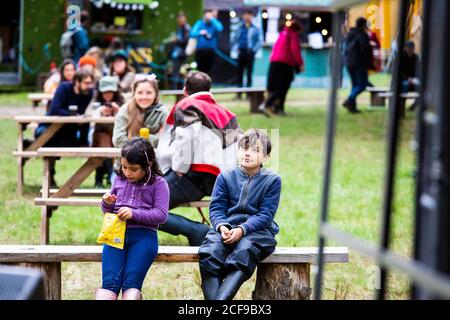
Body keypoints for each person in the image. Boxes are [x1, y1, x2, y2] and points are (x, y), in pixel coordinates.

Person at [157, 71, 241, 246]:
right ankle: (197, 230)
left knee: (140, 206)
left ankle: (196, 230)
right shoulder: (227, 114)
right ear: (209, 90)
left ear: (185, 89)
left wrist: (179, 168)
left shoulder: (188, 104)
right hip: (217, 181)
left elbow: (186, 138)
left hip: (190, 175)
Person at [198, 128, 281, 300]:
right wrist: (221, 226)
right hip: (226, 229)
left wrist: (242, 230)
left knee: (244, 252)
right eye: (244, 148)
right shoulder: (225, 176)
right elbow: (216, 208)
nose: (248, 153)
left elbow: (266, 215)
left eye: (256, 150)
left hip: (257, 232)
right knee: (210, 253)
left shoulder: (272, 180)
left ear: (266, 157)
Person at [96, 137, 169, 300]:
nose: (127, 172)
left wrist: (134, 213)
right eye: (124, 167)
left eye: (133, 169)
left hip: (143, 238)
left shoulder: (159, 183)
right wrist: (107, 203)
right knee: (109, 285)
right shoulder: (119, 179)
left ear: (148, 164)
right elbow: (108, 210)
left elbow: (162, 215)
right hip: (115, 235)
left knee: (131, 285)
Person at [35, 68, 95, 187]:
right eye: (86, 83)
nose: (89, 86)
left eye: (90, 83)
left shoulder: (88, 92)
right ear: (77, 81)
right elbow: (54, 109)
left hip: (69, 131)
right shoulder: (64, 88)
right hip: (49, 127)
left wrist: (77, 118)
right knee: (45, 138)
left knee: (85, 128)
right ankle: (49, 177)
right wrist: (74, 116)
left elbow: (80, 113)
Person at [259, 18, 304, 116]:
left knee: (275, 88)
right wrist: (300, 64)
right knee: (282, 88)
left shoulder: (282, 34)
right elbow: (295, 50)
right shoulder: (293, 35)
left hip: (274, 63)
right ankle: (266, 105)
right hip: (285, 64)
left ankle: (279, 110)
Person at [112, 74, 168, 152]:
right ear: (134, 94)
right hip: (127, 161)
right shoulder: (125, 110)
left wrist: (132, 139)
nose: (144, 97)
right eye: (140, 93)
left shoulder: (162, 112)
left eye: (149, 93)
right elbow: (118, 140)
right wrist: (152, 138)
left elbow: (167, 139)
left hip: (153, 161)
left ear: (155, 94)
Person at [90, 76, 124, 188]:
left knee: (109, 141)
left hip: (116, 135)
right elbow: (87, 116)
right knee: (104, 139)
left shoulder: (122, 103)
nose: (108, 95)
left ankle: (101, 178)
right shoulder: (96, 103)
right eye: (105, 92)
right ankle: (109, 174)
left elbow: (127, 119)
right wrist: (100, 111)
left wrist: (118, 111)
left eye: (110, 92)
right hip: (99, 136)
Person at [342, 17, 372, 114]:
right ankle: (349, 99)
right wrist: (369, 64)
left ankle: (352, 107)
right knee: (363, 84)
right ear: (364, 25)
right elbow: (365, 51)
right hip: (358, 62)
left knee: (355, 85)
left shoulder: (350, 34)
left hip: (348, 62)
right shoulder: (363, 35)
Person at [231, 9, 262, 99]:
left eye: (249, 15)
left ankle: (248, 94)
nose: (247, 17)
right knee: (239, 73)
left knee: (249, 74)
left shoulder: (255, 28)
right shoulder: (240, 27)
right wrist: (237, 48)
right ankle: (239, 94)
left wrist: (253, 50)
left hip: (250, 53)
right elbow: (235, 39)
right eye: (245, 14)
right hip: (241, 52)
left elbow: (259, 41)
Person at [190, 10, 223, 75]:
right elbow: (192, 34)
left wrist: (212, 19)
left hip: (211, 51)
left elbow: (220, 28)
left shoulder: (213, 23)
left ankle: (208, 83)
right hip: (200, 51)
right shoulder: (199, 23)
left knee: (209, 70)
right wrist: (200, 32)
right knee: (200, 71)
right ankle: (200, 84)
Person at [169, 12, 191, 90]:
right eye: (179, 19)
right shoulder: (179, 27)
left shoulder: (186, 28)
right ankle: (175, 89)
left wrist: (176, 40)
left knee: (181, 72)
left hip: (182, 54)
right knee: (176, 72)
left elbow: (185, 41)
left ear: (184, 19)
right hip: (177, 53)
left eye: (182, 18)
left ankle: (180, 89)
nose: (180, 20)